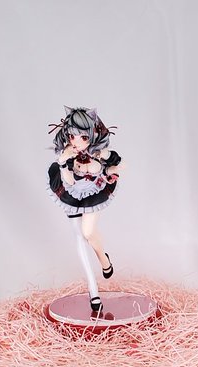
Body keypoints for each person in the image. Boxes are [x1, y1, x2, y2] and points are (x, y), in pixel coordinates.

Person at [47, 107, 122, 313]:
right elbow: (70, 183)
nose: (75, 141)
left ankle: (104, 259)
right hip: (71, 194)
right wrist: (63, 163)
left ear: (91, 134)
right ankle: (93, 291)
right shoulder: (67, 154)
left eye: (82, 137)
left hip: (93, 193)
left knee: (88, 232)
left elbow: (117, 162)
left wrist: (107, 162)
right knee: (79, 236)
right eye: (71, 136)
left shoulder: (97, 152)